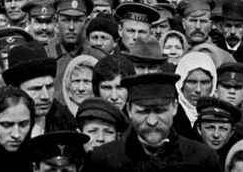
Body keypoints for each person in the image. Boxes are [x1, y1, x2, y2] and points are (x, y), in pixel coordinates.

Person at [83, 72, 221, 172]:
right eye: (143, 112)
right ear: (129, 110)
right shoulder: (102, 160)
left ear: (175, 107)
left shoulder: (202, 159)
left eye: (160, 111)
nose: (152, 121)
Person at [3, 41, 77, 138]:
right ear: (16, 90)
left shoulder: (67, 125)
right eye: (36, 89)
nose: (45, 96)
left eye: (49, 86)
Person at [173, 51, 217, 140]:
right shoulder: (170, 115)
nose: (198, 90)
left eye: (205, 82)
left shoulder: (220, 114)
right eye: (191, 82)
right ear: (180, 84)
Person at [195, 96, 243, 167]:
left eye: (223, 129)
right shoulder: (188, 155)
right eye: (210, 128)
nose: (216, 135)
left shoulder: (238, 160)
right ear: (199, 129)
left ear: (231, 132)